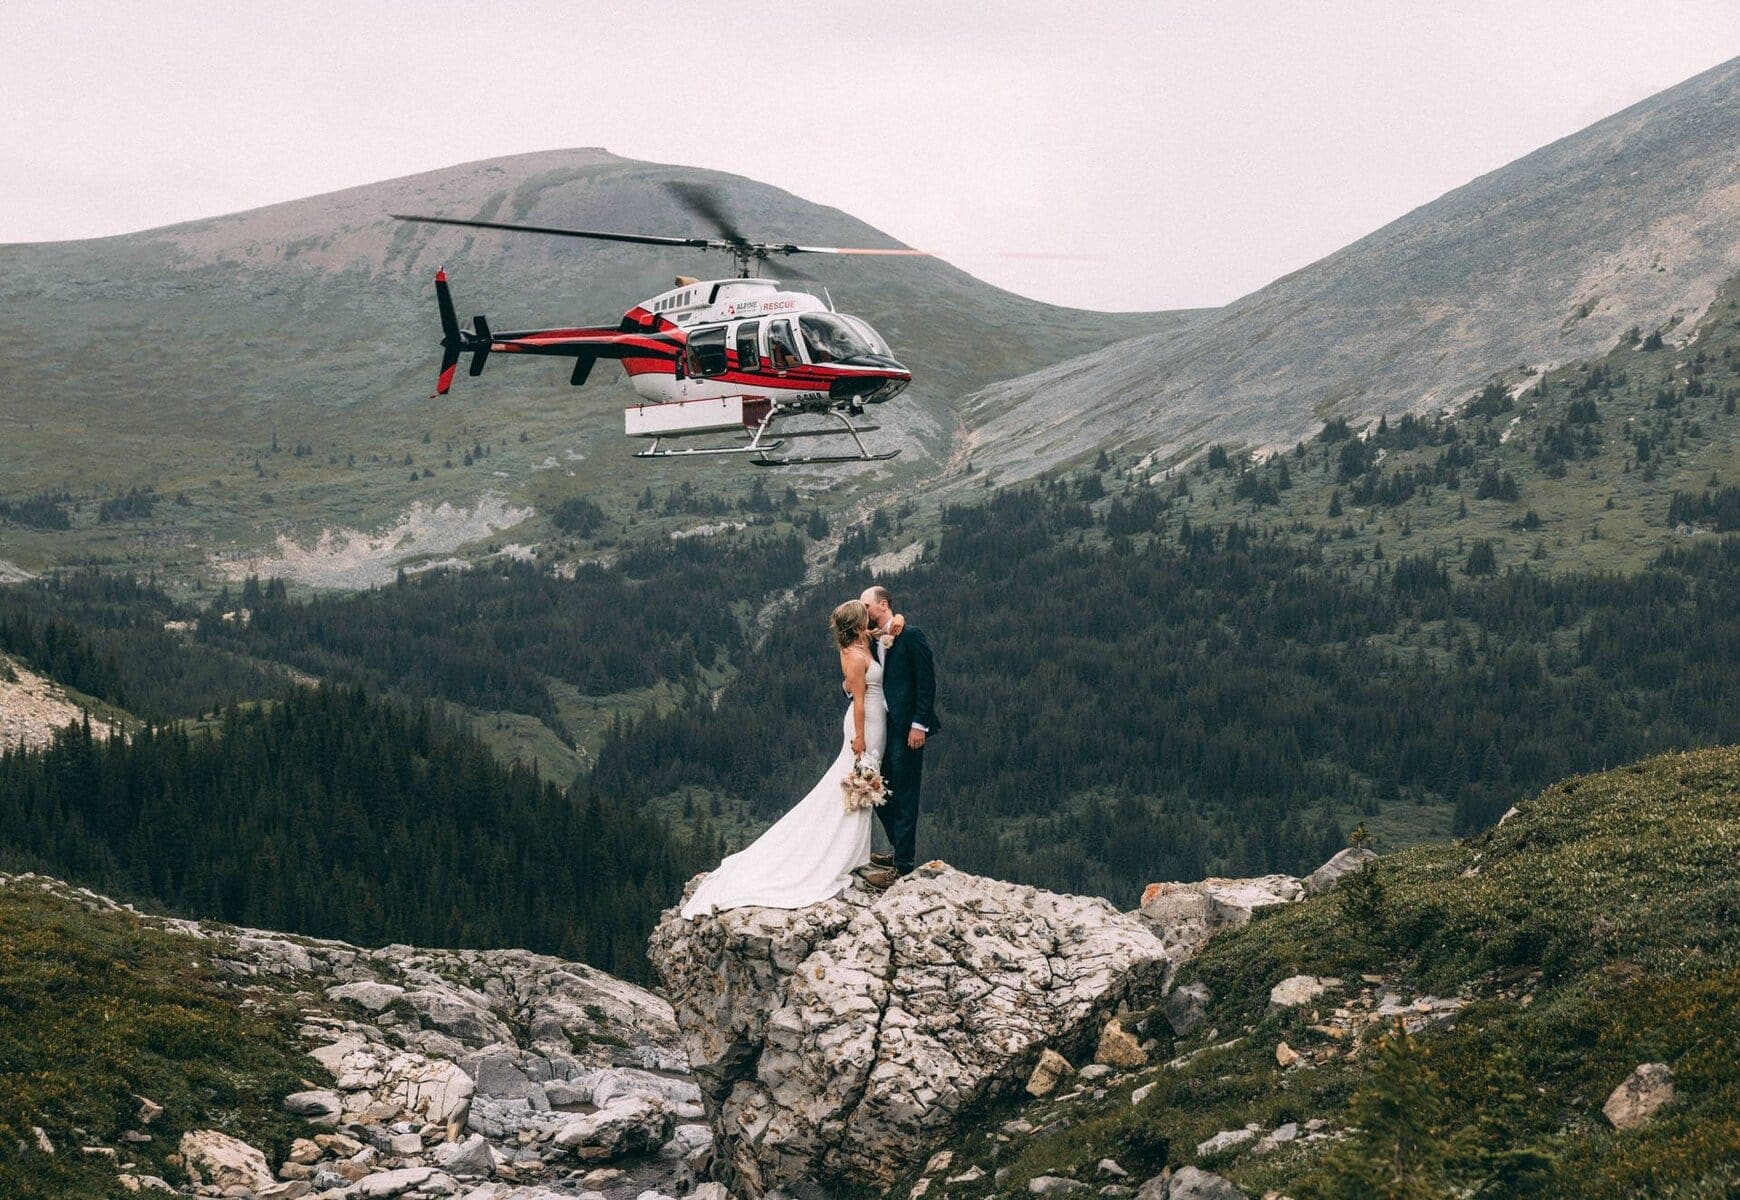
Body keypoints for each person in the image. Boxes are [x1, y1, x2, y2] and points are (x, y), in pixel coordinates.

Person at [679, 600, 884, 918]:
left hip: (873, 722)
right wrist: (860, 737)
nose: (869, 620)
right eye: (864, 617)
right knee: (854, 785)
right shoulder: (856, 656)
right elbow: (858, 701)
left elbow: (882, 630)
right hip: (865, 724)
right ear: (857, 626)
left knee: (857, 786)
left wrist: (892, 621)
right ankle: (842, 854)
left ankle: (854, 853)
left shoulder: (858, 644)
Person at [860, 585, 938, 886]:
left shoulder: (911, 635)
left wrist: (920, 724)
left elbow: (926, 682)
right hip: (881, 726)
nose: (864, 611)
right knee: (877, 788)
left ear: (882, 605)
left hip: (906, 728)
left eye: (867, 605)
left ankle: (903, 866)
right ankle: (899, 848)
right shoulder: (872, 639)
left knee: (904, 792)